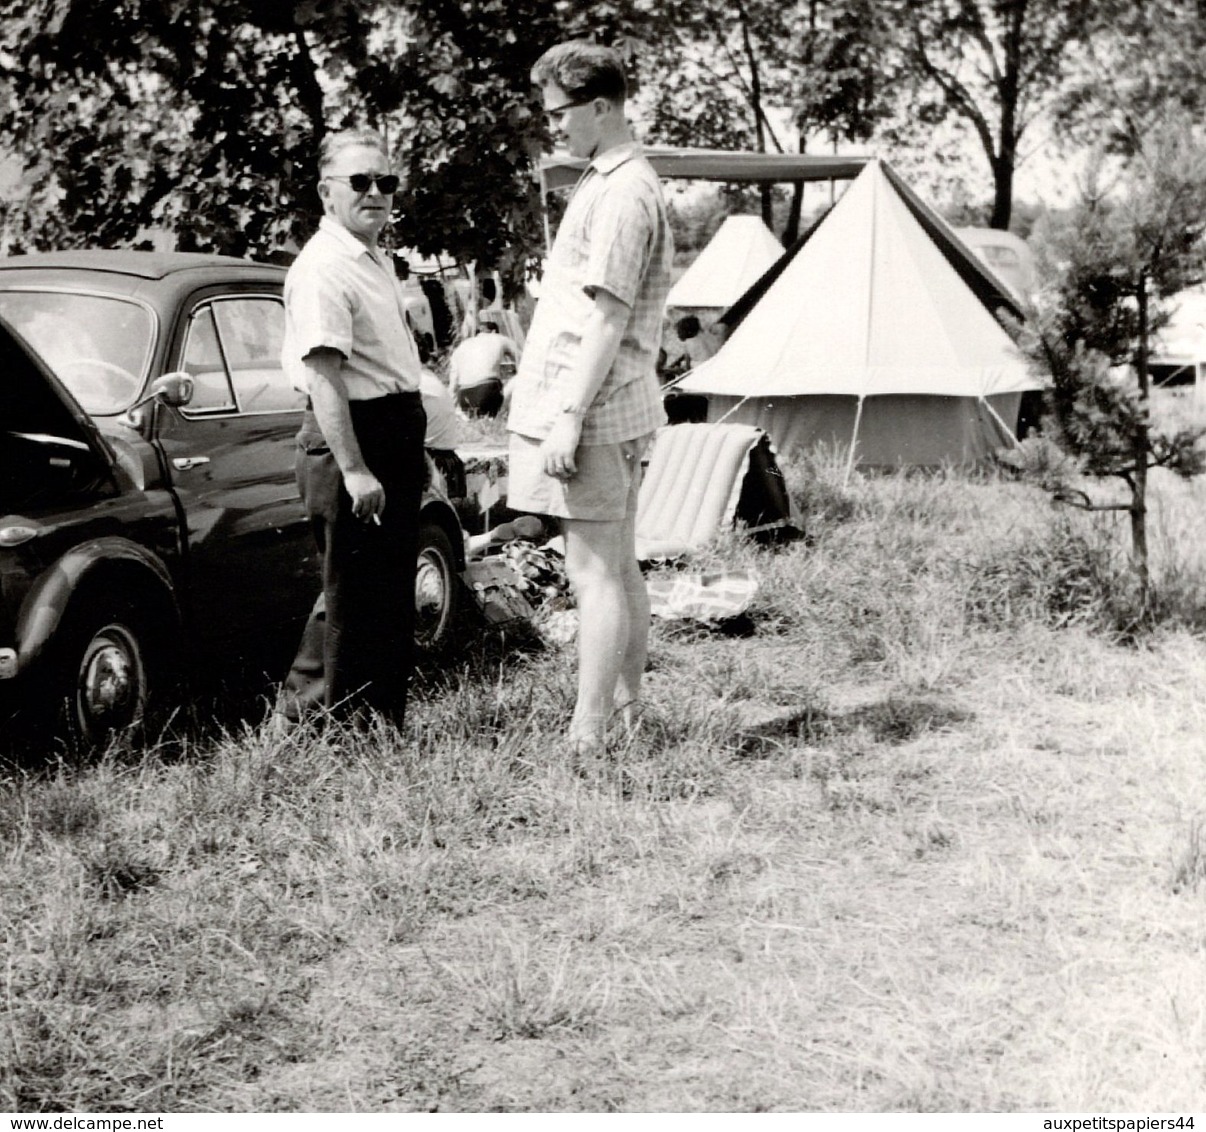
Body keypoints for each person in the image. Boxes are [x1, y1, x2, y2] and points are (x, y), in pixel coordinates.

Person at [506, 41, 673, 754]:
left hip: (599, 410)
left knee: (594, 572)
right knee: (617, 565)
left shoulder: (623, 191)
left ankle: (589, 732)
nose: (554, 127)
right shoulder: (610, 180)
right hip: (613, 403)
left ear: (601, 107)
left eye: (560, 113)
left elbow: (606, 315)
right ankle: (626, 717)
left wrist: (568, 416)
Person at [277, 127, 427, 728]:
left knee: (386, 590)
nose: (375, 193)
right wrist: (356, 468)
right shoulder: (323, 268)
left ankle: (379, 727)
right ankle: (316, 728)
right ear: (326, 194)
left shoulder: (373, 259)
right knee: (350, 594)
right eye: (359, 183)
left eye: (385, 182)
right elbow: (324, 376)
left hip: (389, 430)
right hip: (352, 436)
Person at [447, 314, 519, 418]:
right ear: (494, 331)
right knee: (522, 376)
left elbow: (453, 384)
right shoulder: (499, 338)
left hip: (465, 398)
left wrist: (454, 409)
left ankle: (470, 416)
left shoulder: (461, 347)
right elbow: (524, 360)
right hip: (487, 393)